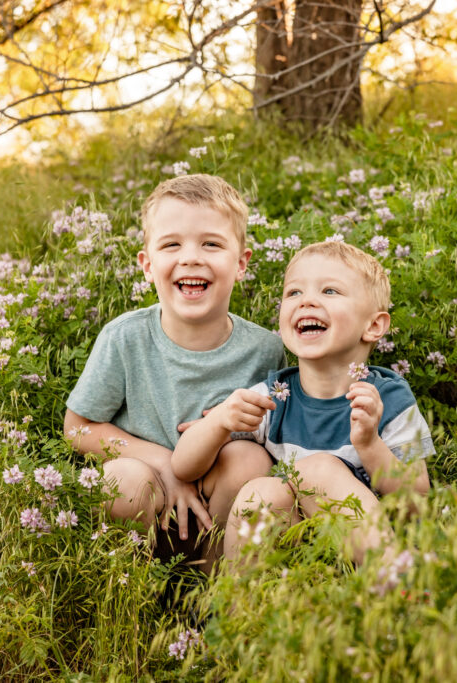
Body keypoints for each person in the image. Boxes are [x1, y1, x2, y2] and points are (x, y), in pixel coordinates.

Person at [64, 174, 286, 568]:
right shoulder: (125, 338)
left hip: (217, 515)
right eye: (172, 245)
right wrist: (167, 465)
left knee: (250, 461)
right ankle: (134, 594)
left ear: (241, 264)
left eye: (212, 244)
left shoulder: (265, 349)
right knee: (122, 480)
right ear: (147, 265)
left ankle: (212, 593)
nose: (191, 257)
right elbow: (78, 428)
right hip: (149, 502)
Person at [172, 240, 433, 565]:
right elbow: (182, 466)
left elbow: (415, 500)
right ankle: (235, 608)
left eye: (330, 291)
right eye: (293, 293)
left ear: (374, 325)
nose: (307, 301)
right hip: (296, 557)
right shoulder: (276, 395)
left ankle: (395, 579)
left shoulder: (387, 398)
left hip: (363, 551)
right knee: (259, 495)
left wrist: (369, 444)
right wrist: (220, 419)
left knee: (318, 470)